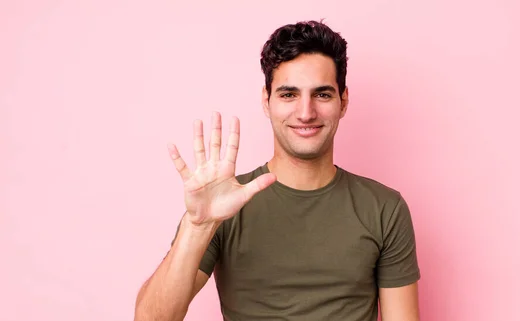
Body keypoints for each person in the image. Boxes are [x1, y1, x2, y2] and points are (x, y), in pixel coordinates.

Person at [134, 20, 421, 321]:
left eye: (322, 94)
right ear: (266, 101)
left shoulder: (384, 208)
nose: (306, 112)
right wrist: (198, 226)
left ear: (343, 101)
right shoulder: (225, 204)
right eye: (288, 95)